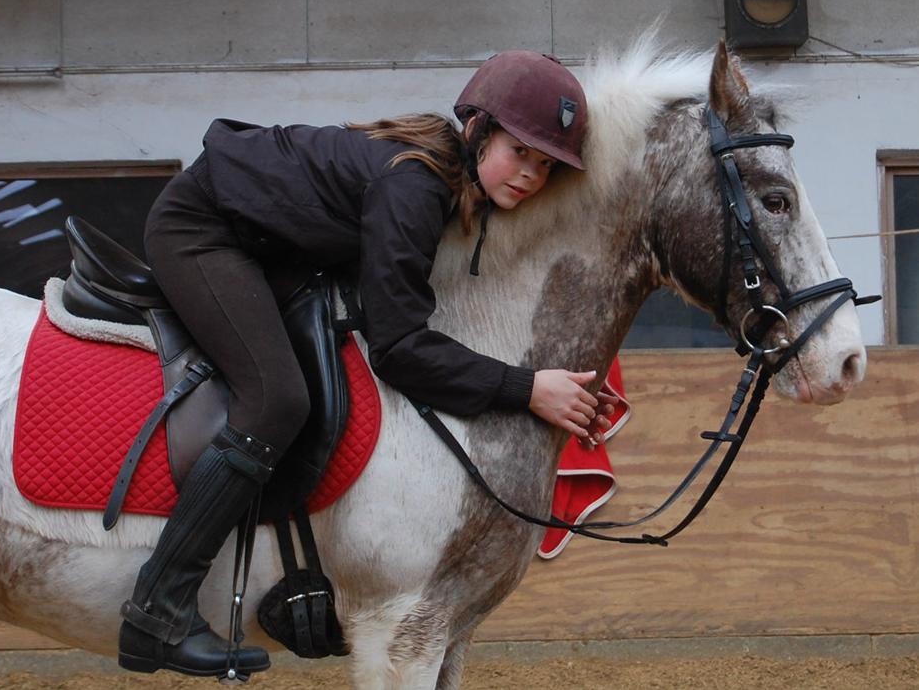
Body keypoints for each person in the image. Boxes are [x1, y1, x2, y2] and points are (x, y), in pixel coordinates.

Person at [117, 51, 619, 677]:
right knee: (277, 399)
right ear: (478, 129)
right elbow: (400, 347)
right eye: (521, 152)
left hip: (267, 246)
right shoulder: (415, 185)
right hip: (201, 230)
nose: (530, 175)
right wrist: (524, 388)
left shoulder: (443, 178)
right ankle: (156, 611)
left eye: (546, 166)